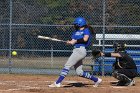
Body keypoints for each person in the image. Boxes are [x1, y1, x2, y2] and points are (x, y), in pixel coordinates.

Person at [49, 17, 102, 87]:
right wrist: (69, 42)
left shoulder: (86, 30)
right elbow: (72, 40)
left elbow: (85, 39)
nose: (74, 25)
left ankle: (58, 82)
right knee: (79, 72)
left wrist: (75, 41)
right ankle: (96, 80)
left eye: (76, 24)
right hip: (76, 50)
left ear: (80, 24)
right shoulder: (75, 32)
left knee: (67, 65)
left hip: (80, 50)